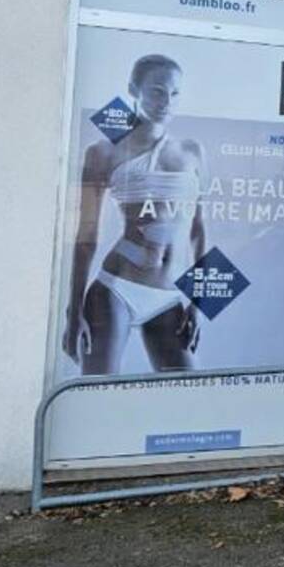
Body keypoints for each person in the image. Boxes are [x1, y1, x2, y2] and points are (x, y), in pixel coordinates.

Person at [64, 53, 207, 375]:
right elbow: (86, 236)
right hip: (115, 289)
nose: (166, 102)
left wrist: (199, 304)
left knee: (190, 392)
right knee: (99, 390)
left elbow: (198, 232)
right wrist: (73, 312)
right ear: (133, 89)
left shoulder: (192, 151)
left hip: (170, 297)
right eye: (157, 91)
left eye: (174, 93)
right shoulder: (102, 152)